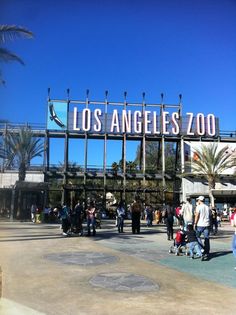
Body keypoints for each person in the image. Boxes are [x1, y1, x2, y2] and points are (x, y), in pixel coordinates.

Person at [194, 196, 210, 261]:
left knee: (197, 237)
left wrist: (195, 223)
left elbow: (197, 216)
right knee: (206, 238)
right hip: (207, 224)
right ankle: (207, 251)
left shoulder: (198, 207)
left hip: (200, 224)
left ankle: (201, 249)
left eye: (198, 200)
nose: (198, 201)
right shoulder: (207, 207)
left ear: (200, 200)